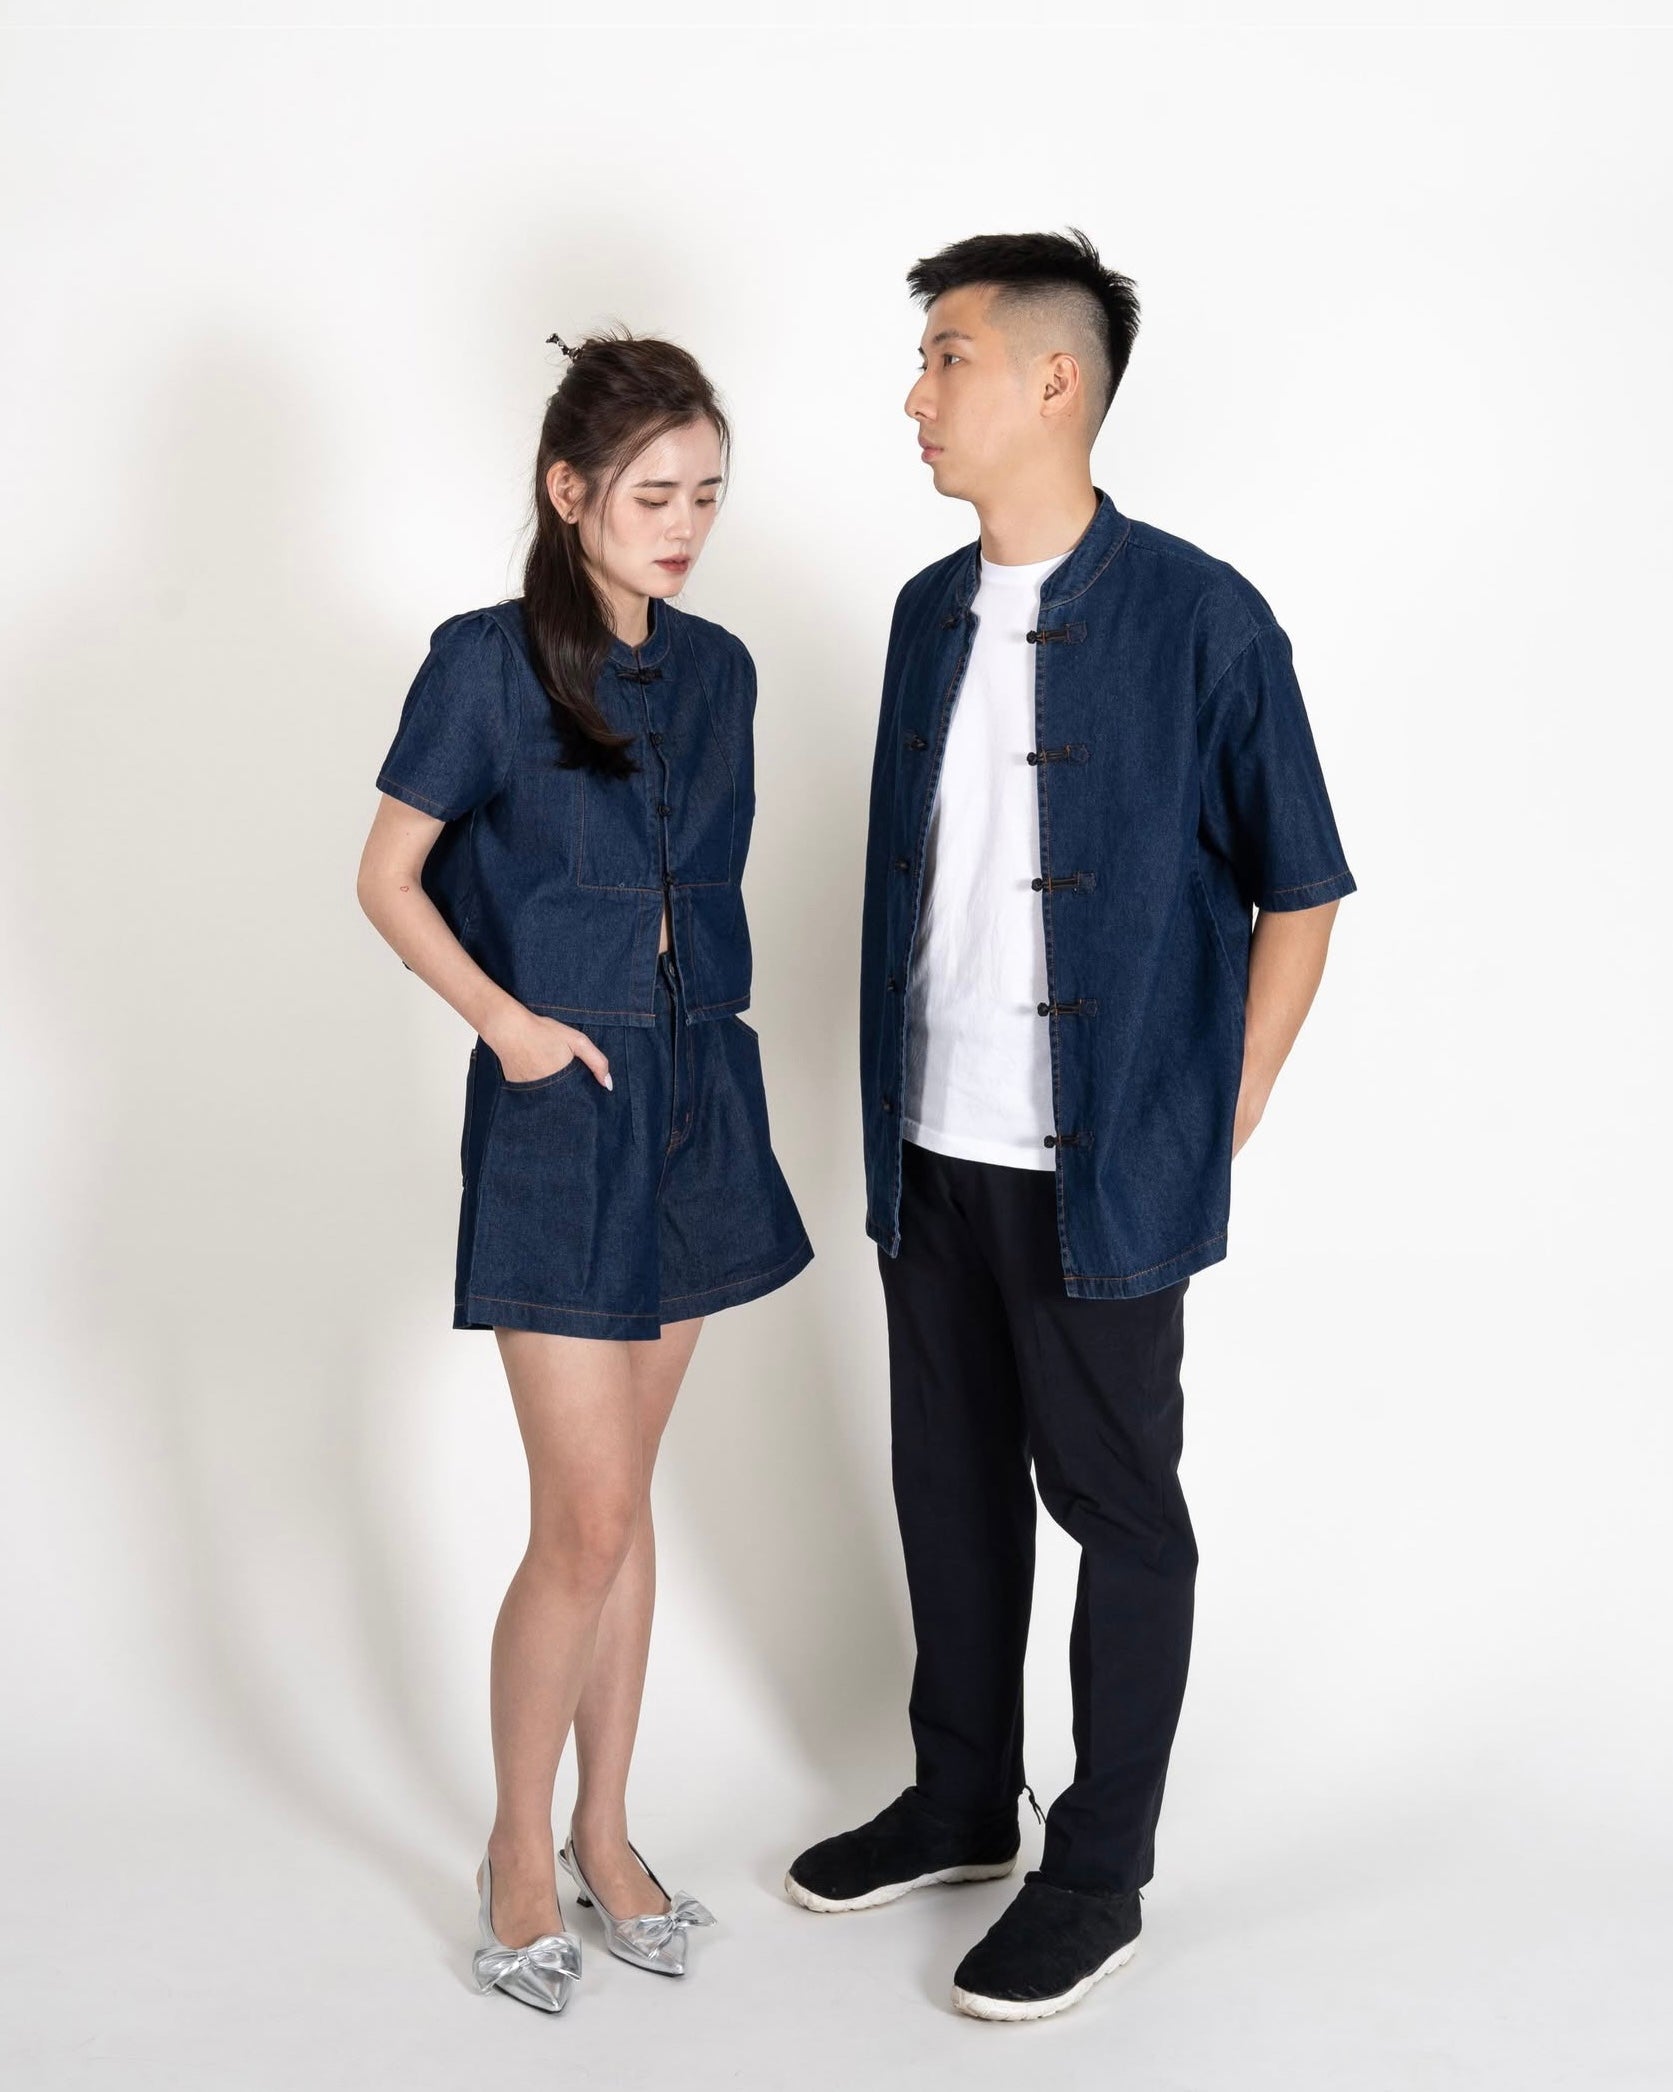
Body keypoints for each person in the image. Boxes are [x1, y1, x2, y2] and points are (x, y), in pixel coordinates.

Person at [784, 230, 1356, 2022]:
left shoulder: (1202, 617)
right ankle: (961, 1797)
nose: (913, 396)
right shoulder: (920, 614)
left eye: (944, 357)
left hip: (1101, 1168)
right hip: (927, 1147)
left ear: (1053, 380)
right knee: (947, 1488)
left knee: (1117, 1506)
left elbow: (1302, 886)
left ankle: (1095, 1872)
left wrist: (1222, 1101)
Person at [357, 330, 813, 2015]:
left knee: (625, 1511)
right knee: (589, 1515)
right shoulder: (483, 665)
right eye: (651, 495)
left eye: (706, 495)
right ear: (568, 492)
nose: (683, 526)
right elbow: (387, 873)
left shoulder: (723, 672)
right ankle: (513, 1850)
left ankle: (608, 1838)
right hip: (562, 1111)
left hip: (699, 1103)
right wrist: (508, 1024)